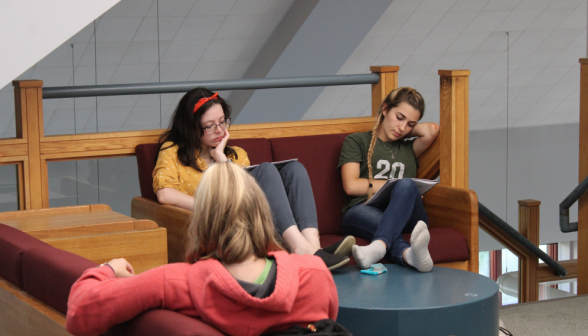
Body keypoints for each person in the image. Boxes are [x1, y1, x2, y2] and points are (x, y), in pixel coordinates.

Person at [66, 162, 339, 336]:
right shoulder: (314, 273)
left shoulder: (173, 283)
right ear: (262, 213)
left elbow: (80, 313)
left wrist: (107, 269)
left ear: (201, 221)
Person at [152, 87, 352, 270]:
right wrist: (209, 207)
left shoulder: (236, 155)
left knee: (294, 169)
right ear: (191, 127)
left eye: (222, 122)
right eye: (210, 126)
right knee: (265, 170)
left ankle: (312, 247)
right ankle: (304, 251)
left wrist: (222, 159)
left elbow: (245, 194)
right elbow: (165, 194)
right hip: (223, 223)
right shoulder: (172, 152)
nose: (220, 131)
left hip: (254, 219)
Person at [338, 87, 439, 272]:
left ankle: (377, 248)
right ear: (385, 109)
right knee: (393, 208)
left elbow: (431, 129)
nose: (402, 128)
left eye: (410, 124)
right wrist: (392, 185)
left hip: (407, 214)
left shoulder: (409, 148)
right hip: (363, 210)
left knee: (407, 183)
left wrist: (402, 126)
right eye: (399, 117)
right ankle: (410, 256)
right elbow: (351, 186)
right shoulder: (357, 141)